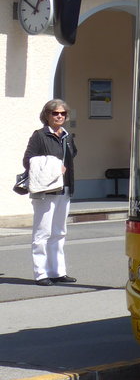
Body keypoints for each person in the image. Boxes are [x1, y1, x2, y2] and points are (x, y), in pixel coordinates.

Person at [24, 99, 78, 285]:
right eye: (55, 113)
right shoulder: (39, 136)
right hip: (45, 191)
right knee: (42, 233)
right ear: (47, 115)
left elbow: (73, 156)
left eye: (63, 113)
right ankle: (41, 273)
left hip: (64, 188)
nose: (59, 116)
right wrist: (54, 168)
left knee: (59, 232)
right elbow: (28, 160)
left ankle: (58, 271)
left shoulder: (67, 136)